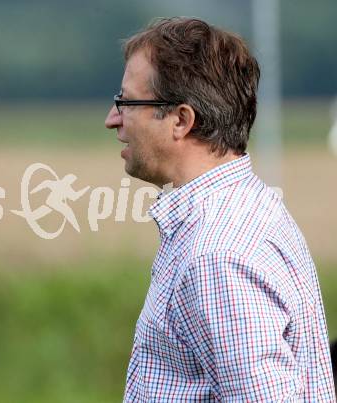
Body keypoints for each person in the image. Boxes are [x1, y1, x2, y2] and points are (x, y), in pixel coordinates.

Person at [105, 17, 335, 401]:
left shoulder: (216, 255)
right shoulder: (244, 209)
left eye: (126, 102)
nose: (112, 119)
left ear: (180, 120)